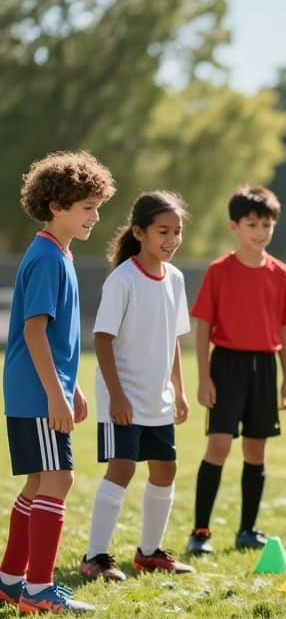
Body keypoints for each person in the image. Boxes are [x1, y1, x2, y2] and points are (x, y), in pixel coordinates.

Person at [1, 151, 116, 613]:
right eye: (86, 207)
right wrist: (55, 393)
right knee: (60, 479)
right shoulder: (48, 258)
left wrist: (72, 386)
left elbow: (53, 336)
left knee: (37, 484)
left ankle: (10, 582)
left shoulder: (57, 253)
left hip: (41, 388)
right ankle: (39, 591)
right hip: (36, 392)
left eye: (97, 207)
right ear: (56, 207)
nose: (94, 216)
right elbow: (33, 331)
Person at [80, 191, 195, 581]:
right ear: (139, 232)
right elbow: (102, 339)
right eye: (163, 231)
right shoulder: (123, 279)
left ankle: (149, 552)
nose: (172, 239)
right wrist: (116, 395)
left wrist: (179, 389)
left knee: (166, 469)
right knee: (124, 467)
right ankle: (95, 557)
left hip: (157, 397)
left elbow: (174, 339)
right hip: (123, 396)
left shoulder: (175, 279)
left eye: (177, 231)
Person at [185, 186, 286, 556]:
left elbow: (285, 329)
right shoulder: (219, 271)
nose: (260, 231)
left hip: (265, 367)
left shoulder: (281, 273)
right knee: (218, 445)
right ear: (235, 226)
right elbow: (203, 326)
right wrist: (204, 377)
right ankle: (200, 531)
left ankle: (247, 530)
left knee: (256, 451)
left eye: (266, 224)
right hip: (227, 365)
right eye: (252, 224)